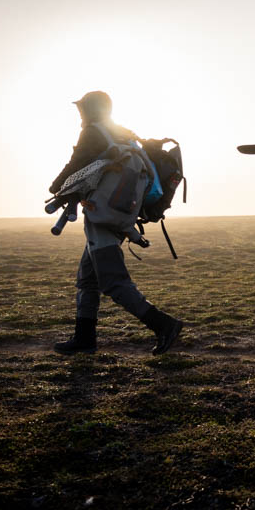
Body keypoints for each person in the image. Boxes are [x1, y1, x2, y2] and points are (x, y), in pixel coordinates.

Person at [49, 91, 183, 355]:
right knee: (88, 280)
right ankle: (84, 339)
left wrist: (56, 188)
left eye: (82, 108)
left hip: (103, 215)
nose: (80, 114)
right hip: (120, 213)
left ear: (91, 109)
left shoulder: (94, 132)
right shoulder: (123, 133)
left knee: (113, 282)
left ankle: (164, 325)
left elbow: (76, 164)